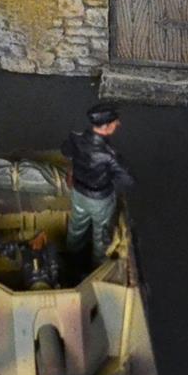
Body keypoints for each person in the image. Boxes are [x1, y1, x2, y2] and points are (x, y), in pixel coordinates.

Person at [61, 103, 133, 258]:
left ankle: (71, 255)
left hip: (78, 192)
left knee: (76, 226)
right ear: (106, 127)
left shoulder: (76, 138)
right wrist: (110, 180)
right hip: (100, 200)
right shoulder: (110, 155)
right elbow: (128, 179)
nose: (118, 124)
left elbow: (65, 151)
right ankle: (98, 262)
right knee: (101, 234)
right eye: (115, 122)